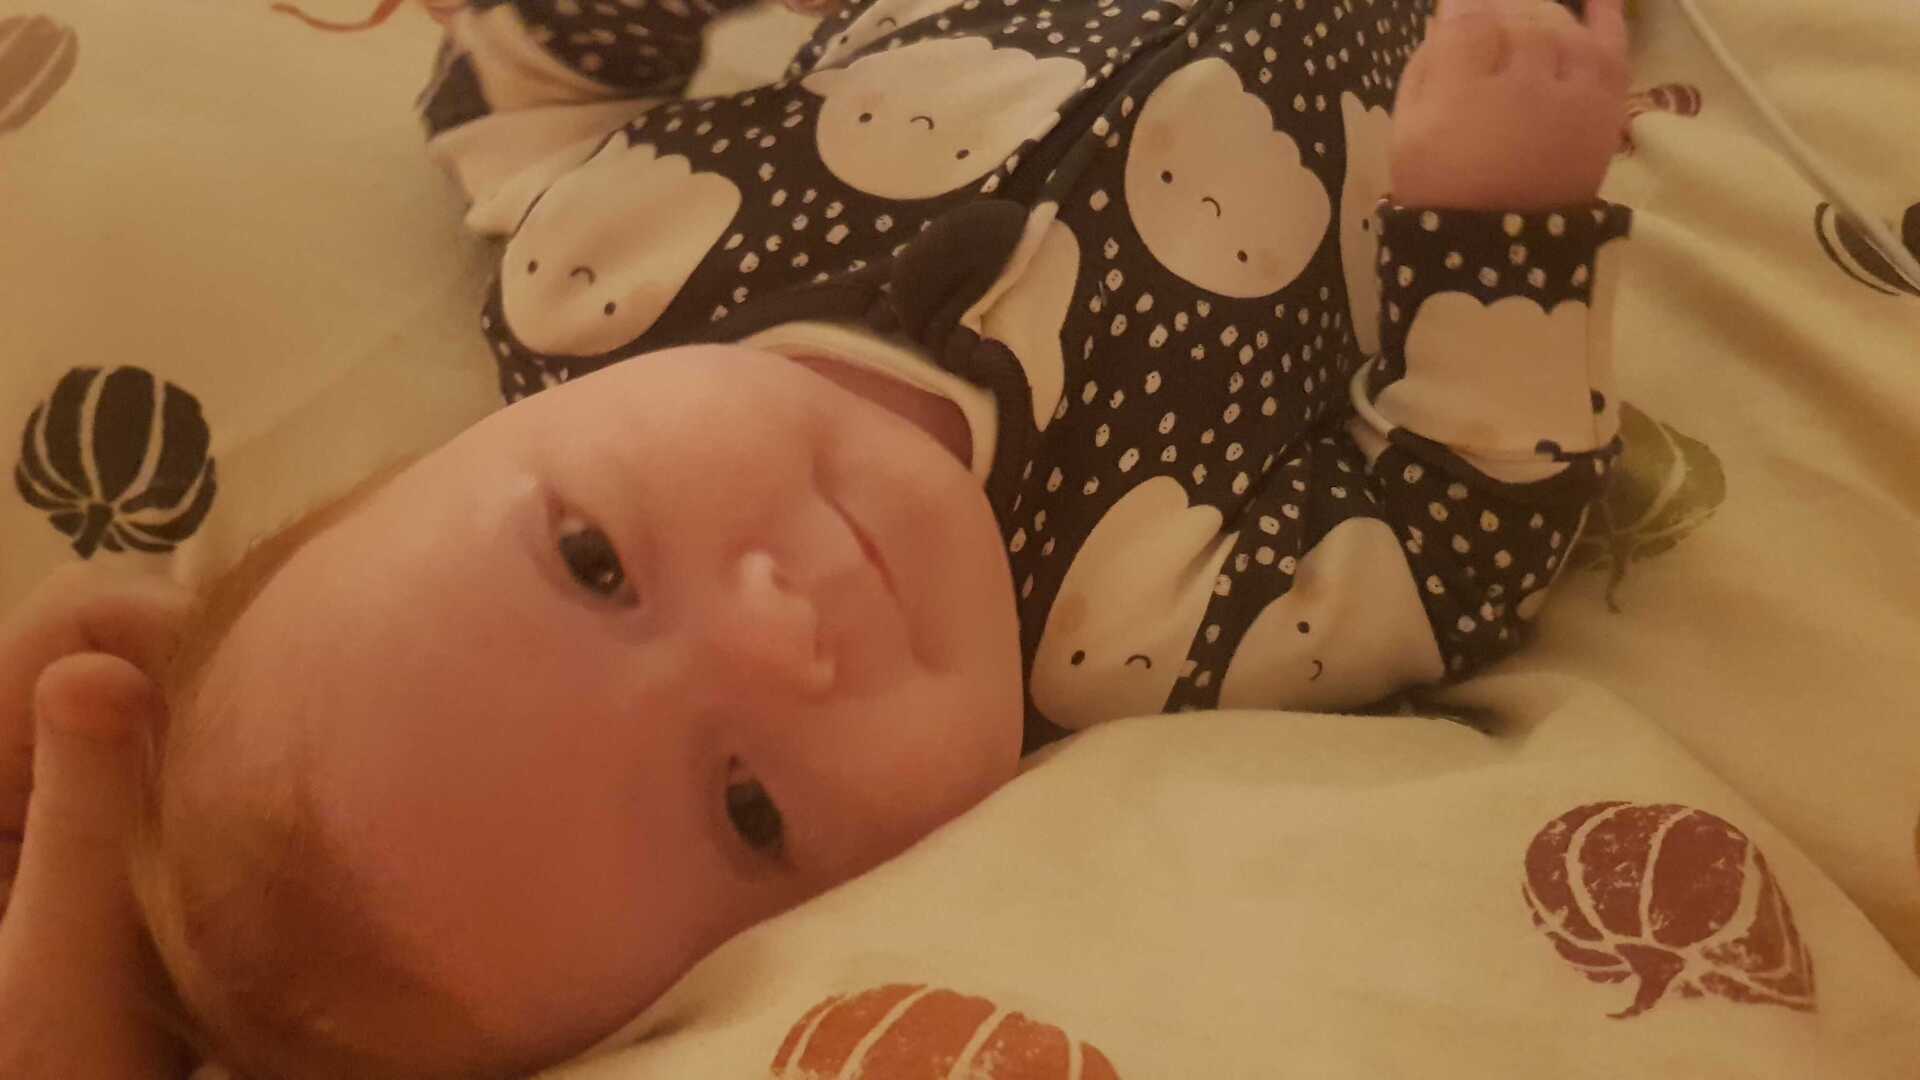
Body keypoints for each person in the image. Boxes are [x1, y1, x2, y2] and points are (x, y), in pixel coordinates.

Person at [5, 0, 1632, 1075]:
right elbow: (1463, 533)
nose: (774, 629)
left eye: (594, 565)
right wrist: (1500, 215)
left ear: (459, 446)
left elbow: (510, 86)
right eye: (750, 806)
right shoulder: (1156, 636)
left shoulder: (596, 279)